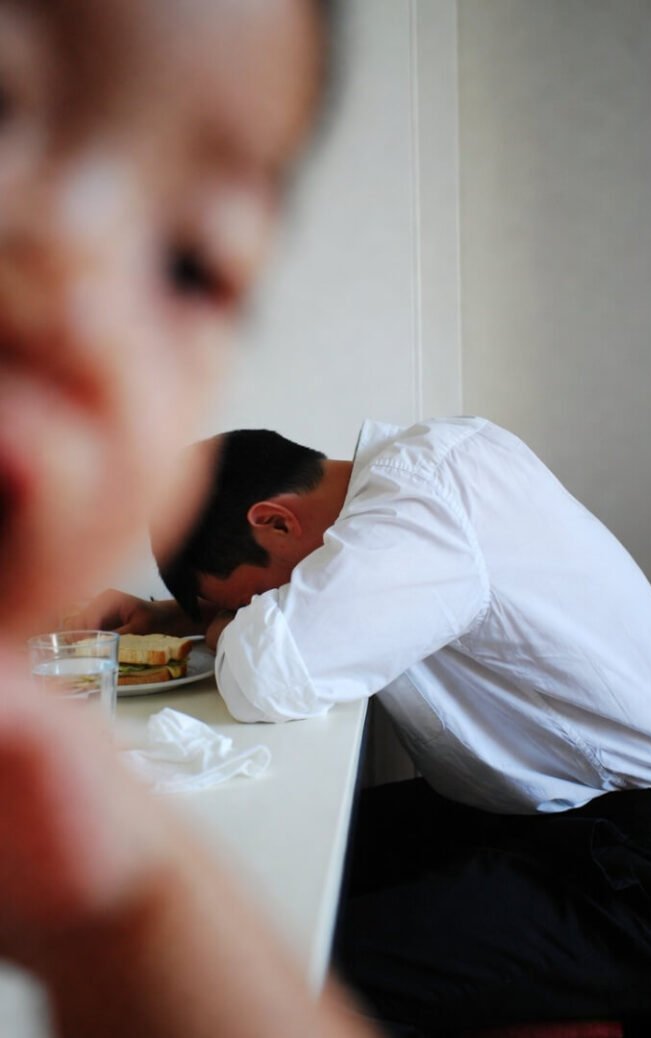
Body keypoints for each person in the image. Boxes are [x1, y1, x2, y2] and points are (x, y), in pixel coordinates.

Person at [0, 0, 379, 1035]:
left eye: (191, 265)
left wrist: (134, 902)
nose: (85, 297)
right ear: (272, 523)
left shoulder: (425, 492)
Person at [79, 418, 651, 1036]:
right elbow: (324, 606)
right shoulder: (430, 467)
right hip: (565, 809)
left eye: (247, 603)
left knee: (280, 975)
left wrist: (226, 628)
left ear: (274, 520)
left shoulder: (417, 504)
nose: (255, 613)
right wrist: (179, 618)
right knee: (270, 876)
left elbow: (268, 676)